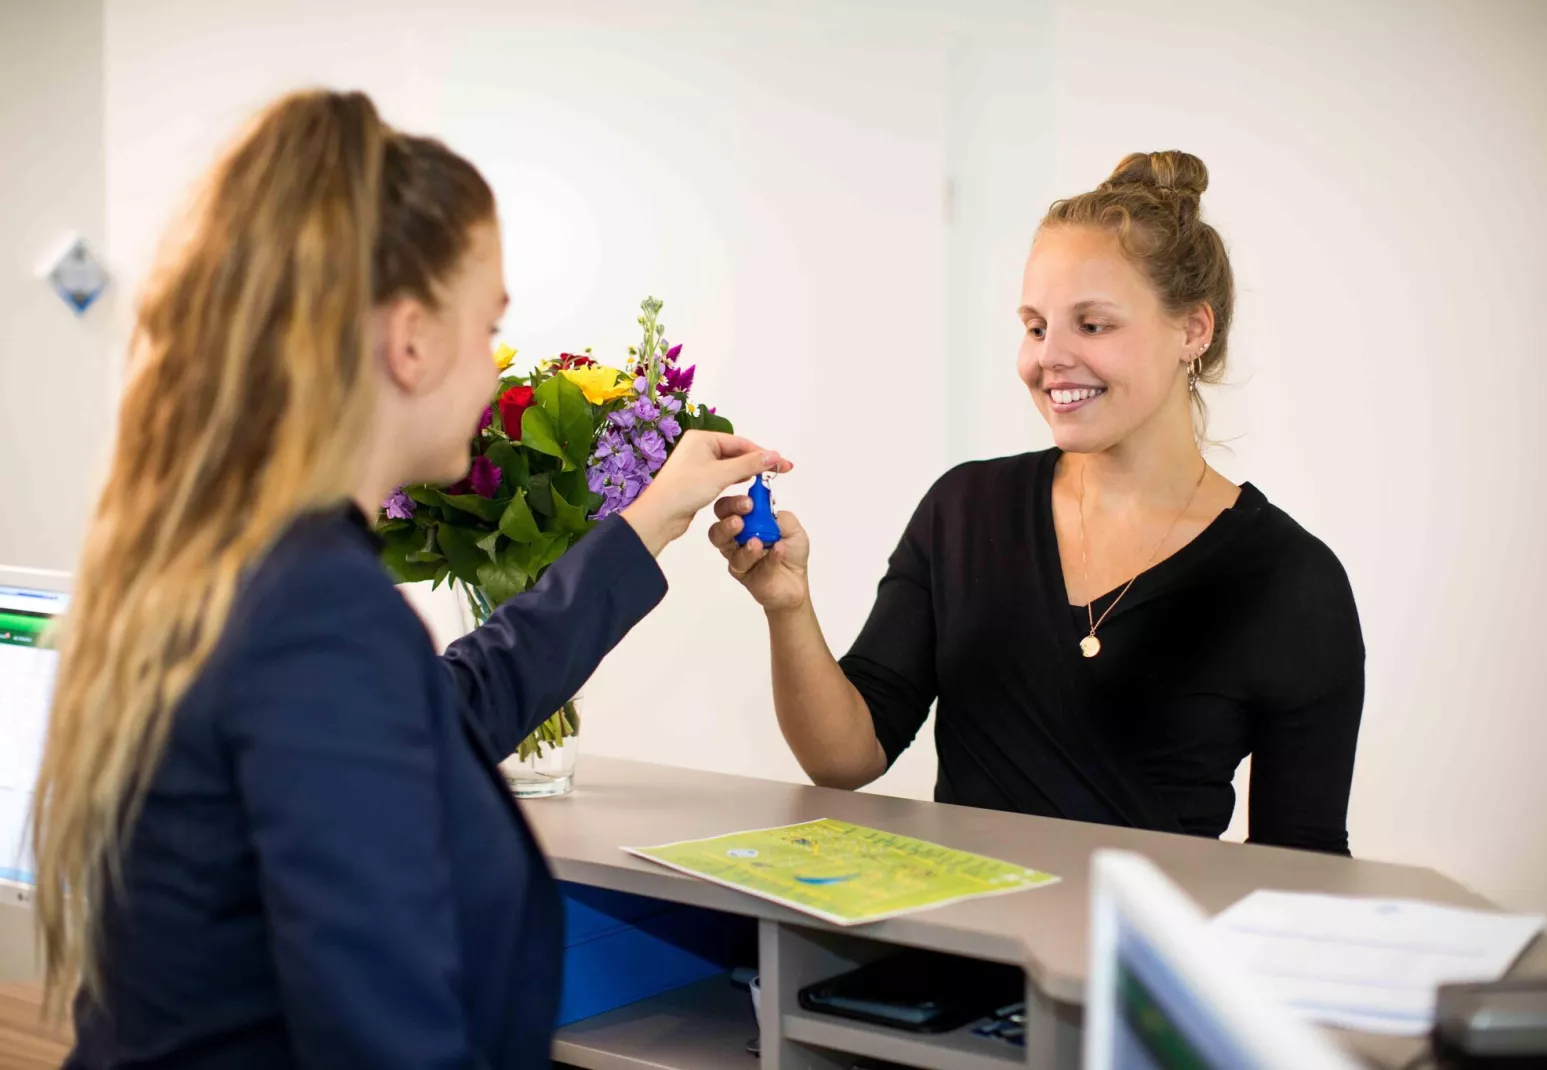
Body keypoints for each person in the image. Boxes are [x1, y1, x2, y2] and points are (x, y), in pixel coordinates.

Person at [29, 89, 787, 1069]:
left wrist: (645, 523)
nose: (490, 368)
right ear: (413, 339)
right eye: (487, 329)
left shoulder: (240, 562)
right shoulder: (314, 612)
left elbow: (444, 711)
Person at [713, 151, 1364, 856]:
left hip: (1116, 964)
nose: (1047, 358)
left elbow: (1304, 871)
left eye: (1092, 325)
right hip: (954, 954)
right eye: (1034, 325)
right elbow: (846, 759)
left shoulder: (1290, 581)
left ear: (1193, 332)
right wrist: (788, 605)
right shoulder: (966, 510)